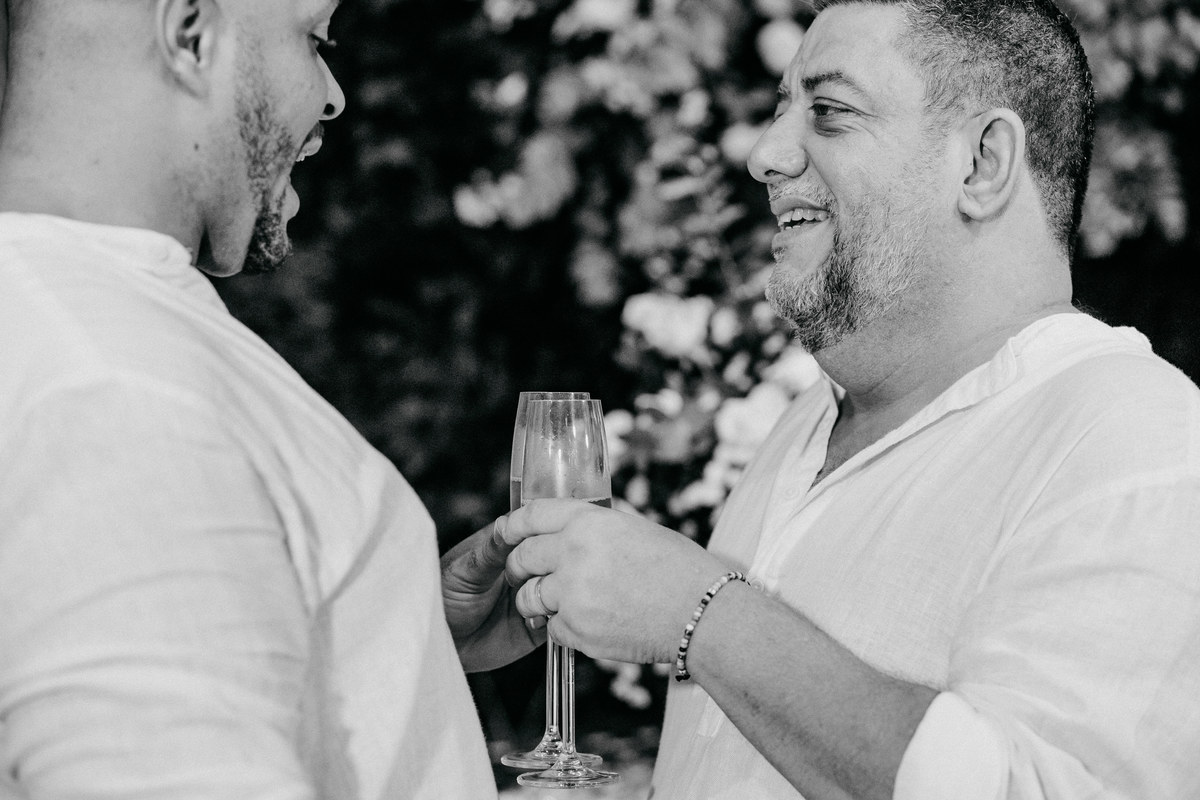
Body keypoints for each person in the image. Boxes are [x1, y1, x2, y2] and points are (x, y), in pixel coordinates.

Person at [473, 0, 1200, 798]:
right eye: (781, 109)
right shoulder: (800, 431)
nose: (764, 155)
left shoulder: (1138, 439)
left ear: (983, 162)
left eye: (830, 111)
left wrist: (703, 614)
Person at [0, 1, 536, 797]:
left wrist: (389, 636)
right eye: (313, 38)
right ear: (189, 33)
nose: (333, 96)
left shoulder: (93, 321)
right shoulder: (111, 384)